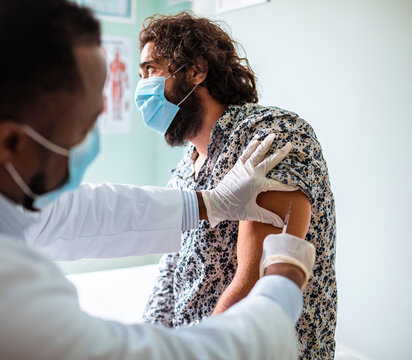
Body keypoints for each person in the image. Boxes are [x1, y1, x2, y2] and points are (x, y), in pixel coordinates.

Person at [0, 1, 313, 359]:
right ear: (9, 142)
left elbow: (68, 214)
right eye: (83, 126)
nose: (91, 142)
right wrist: (282, 286)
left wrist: (209, 203)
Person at [136, 12, 337, 360]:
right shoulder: (186, 167)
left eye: (151, 69)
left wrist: (197, 351)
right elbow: (169, 272)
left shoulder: (269, 136)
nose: (143, 85)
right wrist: (151, 344)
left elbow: (252, 282)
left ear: (196, 70)